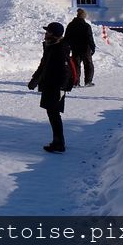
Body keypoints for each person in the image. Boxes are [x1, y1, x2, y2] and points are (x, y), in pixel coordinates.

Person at [28, 21, 72, 153]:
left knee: (54, 113)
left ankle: (59, 143)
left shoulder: (60, 48)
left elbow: (65, 70)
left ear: (54, 35)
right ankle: (58, 141)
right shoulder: (50, 46)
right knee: (52, 113)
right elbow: (43, 65)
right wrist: (35, 79)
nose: (45, 34)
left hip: (56, 86)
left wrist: (61, 88)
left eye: (48, 32)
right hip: (49, 84)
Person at [64, 8, 96, 87]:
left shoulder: (71, 25)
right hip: (85, 48)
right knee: (88, 65)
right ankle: (88, 81)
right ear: (84, 16)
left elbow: (66, 37)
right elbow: (90, 38)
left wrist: (67, 46)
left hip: (75, 48)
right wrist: (93, 47)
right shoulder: (86, 26)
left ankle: (75, 82)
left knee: (75, 65)